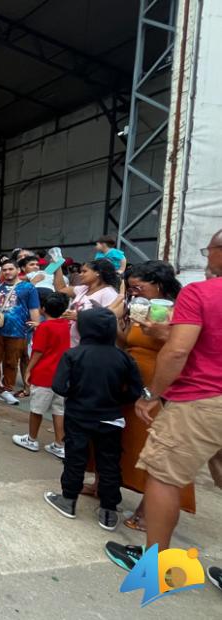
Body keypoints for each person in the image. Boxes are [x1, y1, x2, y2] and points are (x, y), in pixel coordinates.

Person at [105, 231, 222, 570]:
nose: (206, 257)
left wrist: (153, 395)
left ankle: (157, 566)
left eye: (208, 250)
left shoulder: (201, 293)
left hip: (202, 398)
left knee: (165, 476)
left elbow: (178, 351)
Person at [110, 261, 192, 531]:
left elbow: (184, 351)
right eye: (131, 286)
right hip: (130, 383)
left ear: (158, 284)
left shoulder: (180, 310)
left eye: (139, 286)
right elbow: (125, 341)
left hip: (159, 387)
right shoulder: (137, 306)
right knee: (123, 441)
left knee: (154, 449)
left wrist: (162, 333)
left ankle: (148, 510)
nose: (134, 291)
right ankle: (105, 486)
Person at [44, 309, 142, 530]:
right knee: (109, 462)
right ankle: (108, 512)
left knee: (75, 458)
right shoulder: (124, 357)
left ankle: (68, 500)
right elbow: (135, 390)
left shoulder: (73, 354)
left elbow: (59, 386)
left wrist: (77, 394)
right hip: (111, 417)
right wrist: (116, 399)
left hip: (78, 415)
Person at [13, 292, 69, 458]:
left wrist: (28, 370)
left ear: (43, 308)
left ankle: (32, 439)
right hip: (61, 374)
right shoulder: (65, 324)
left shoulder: (44, 327)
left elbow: (37, 352)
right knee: (59, 410)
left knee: (37, 409)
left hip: (44, 373)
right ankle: (59, 444)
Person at [0, 259, 39, 405]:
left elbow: (34, 308)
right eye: (5, 269)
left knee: (11, 362)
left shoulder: (28, 288)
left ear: (18, 270)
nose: (7, 272)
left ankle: (7, 389)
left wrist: (36, 324)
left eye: (10, 269)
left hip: (18, 331)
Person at [52, 259, 120, 346]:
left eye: (84, 271)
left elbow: (108, 322)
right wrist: (58, 266)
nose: (80, 275)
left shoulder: (109, 293)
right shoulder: (83, 289)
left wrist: (79, 317)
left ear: (97, 273)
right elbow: (61, 289)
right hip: (74, 344)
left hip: (92, 347)